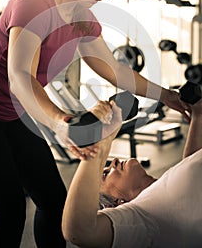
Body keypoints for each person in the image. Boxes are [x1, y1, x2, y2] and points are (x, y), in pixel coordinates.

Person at [0, 0, 189, 248]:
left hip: (11, 115)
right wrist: (60, 124)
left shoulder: (81, 18)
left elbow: (114, 70)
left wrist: (167, 95)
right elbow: (20, 77)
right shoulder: (32, 5)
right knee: (10, 210)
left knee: (55, 202)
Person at [62, 98, 202, 248]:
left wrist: (198, 115)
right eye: (106, 174)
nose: (114, 161)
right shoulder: (143, 216)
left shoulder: (166, 191)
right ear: (118, 204)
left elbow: (191, 169)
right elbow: (80, 232)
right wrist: (97, 146)